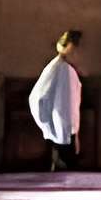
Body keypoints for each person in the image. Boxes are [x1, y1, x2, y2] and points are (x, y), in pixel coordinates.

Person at [28, 28, 83, 169]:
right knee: (65, 169)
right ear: (72, 48)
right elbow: (66, 106)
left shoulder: (58, 67)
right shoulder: (63, 70)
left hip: (60, 129)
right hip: (63, 129)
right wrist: (70, 131)